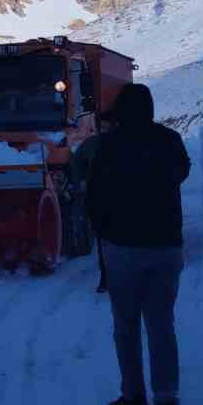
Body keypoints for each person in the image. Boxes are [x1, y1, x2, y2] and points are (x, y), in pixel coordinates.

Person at [86, 83, 190, 405]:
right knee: (161, 325)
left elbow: (93, 195)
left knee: (126, 326)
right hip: (167, 248)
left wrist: (101, 228)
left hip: (124, 249)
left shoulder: (107, 146)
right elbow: (182, 173)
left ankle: (133, 395)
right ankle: (166, 402)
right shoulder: (170, 141)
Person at [67, 118, 111, 293]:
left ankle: (107, 279)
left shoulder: (92, 144)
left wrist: (82, 182)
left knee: (106, 241)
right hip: (109, 200)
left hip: (101, 200)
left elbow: (76, 164)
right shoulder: (93, 144)